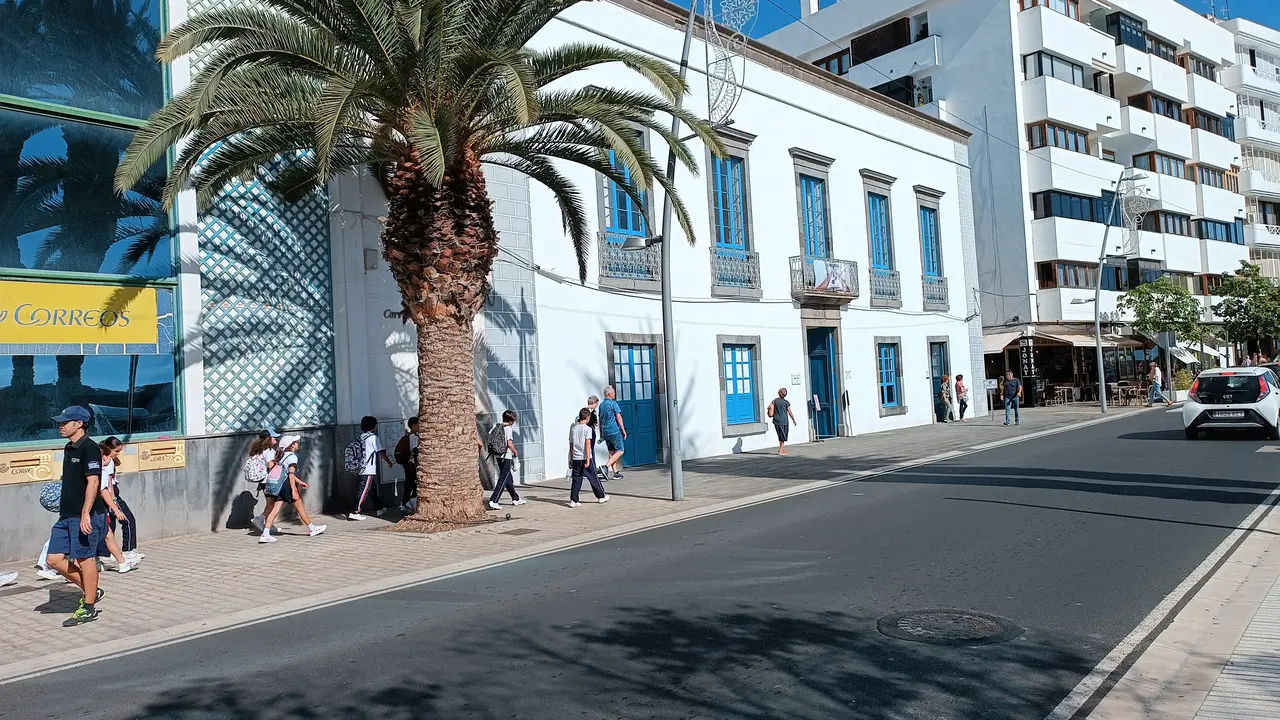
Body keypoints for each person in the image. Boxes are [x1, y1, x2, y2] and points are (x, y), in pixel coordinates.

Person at [44, 406, 108, 626]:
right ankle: (91, 589)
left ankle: (88, 608)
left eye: (65, 422)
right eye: (60, 422)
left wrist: (85, 515)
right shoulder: (69, 447)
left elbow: (94, 482)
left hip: (86, 516)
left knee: (85, 558)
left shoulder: (89, 448)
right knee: (53, 559)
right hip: (66, 515)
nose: (60, 425)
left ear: (79, 424)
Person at [260, 435, 326, 541]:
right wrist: (294, 490)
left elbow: (285, 473)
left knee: (275, 509)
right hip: (287, 486)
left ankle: (265, 533)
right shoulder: (292, 457)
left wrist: (299, 482)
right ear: (291, 445)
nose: (297, 444)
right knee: (300, 507)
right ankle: (312, 529)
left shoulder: (280, 456)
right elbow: (290, 474)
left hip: (279, 485)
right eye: (295, 442)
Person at [96, 437, 138, 574]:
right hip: (110, 498)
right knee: (126, 520)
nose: (116, 455)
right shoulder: (103, 467)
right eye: (115, 452)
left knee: (109, 529)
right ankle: (126, 554)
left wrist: (114, 458)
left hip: (111, 497)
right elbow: (106, 488)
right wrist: (114, 504)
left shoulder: (110, 461)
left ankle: (108, 557)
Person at [350, 416, 393, 521]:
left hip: (360, 467)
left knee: (371, 489)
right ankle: (355, 511)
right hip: (368, 469)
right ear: (373, 427)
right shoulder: (373, 438)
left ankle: (379, 508)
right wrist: (388, 462)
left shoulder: (361, 437)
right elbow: (380, 452)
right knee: (363, 490)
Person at [568, 408, 608, 507]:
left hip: (576, 458)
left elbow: (571, 445)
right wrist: (588, 457)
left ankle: (574, 500)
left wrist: (572, 458)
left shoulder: (574, 429)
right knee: (593, 476)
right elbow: (588, 444)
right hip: (585, 457)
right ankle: (601, 496)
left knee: (576, 479)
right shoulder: (587, 429)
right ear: (587, 418)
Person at [487, 410, 526, 509]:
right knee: (503, 478)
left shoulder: (497, 426)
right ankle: (494, 500)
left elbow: (489, 436)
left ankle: (515, 498)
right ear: (511, 420)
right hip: (506, 455)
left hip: (498, 455)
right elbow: (509, 443)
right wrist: (515, 451)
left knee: (508, 477)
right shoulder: (508, 428)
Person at [250, 428, 281, 534]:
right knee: (272, 504)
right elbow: (271, 466)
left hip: (263, 482)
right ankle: (261, 520)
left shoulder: (260, 450)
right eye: (274, 438)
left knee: (271, 503)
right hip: (269, 481)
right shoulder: (269, 451)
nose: (276, 441)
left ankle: (268, 524)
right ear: (269, 439)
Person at [598, 386, 627, 480]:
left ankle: (616, 473)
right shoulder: (613, 404)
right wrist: (623, 429)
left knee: (612, 452)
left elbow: (600, 420)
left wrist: (601, 432)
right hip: (614, 431)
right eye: (613, 393)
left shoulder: (601, 405)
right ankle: (605, 467)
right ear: (609, 394)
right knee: (620, 450)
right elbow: (619, 417)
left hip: (605, 431)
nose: (615, 394)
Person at [395, 416, 420, 512]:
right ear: (414, 425)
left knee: (410, 485)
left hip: (408, 466)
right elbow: (414, 450)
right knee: (412, 485)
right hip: (412, 466)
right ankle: (407, 504)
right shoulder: (413, 437)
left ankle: (407, 504)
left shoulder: (406, 438)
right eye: (418, 424)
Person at [768, 388, 797, 455]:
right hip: (784, 421)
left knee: (780, 435)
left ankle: (782, 448)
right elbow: (790, 412)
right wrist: (793, 420)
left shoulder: (774, 401)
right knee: (783, 435)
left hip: (776, 421)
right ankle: (781, 450)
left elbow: (770, 408)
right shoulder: (786, 402)